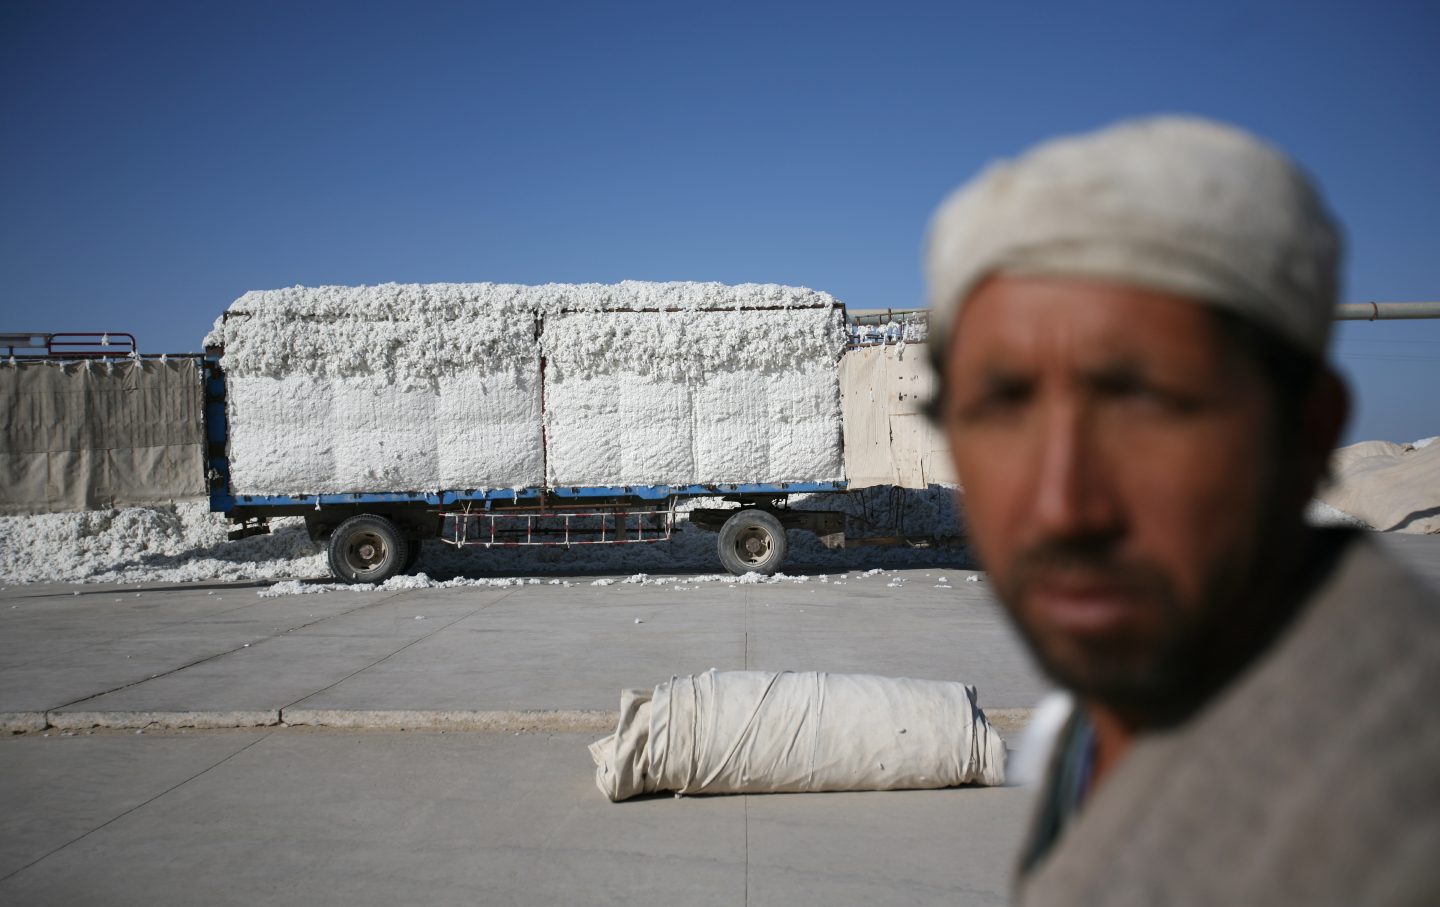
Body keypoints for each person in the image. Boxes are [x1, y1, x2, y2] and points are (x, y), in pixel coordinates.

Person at [924, 116, 1440, 905]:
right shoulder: (1111, 719)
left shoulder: (1384, 830)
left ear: (1309, 430)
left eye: (1146, 402)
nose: (1063, 506)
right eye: (1002, 405)